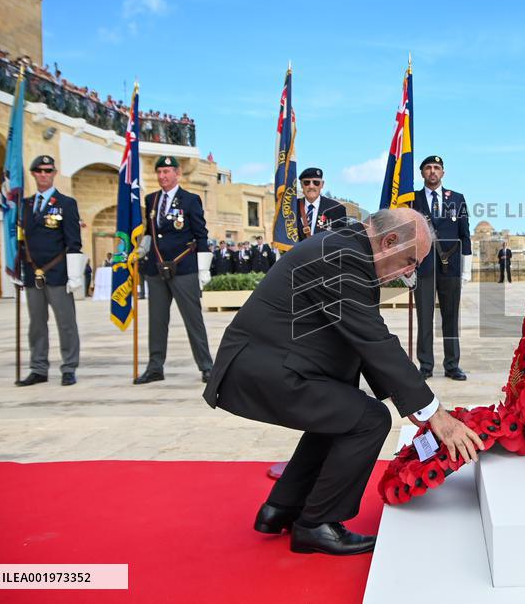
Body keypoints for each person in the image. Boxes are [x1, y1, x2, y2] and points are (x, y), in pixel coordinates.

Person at [203, 208, 484, 555]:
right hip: (261, 369)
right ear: (390, 241)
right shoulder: (343, 257)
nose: (410, 272)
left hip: (269, 363)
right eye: (410, 260)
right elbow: (373, 340)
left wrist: (410, 402)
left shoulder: (348, 249)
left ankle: (282, 507)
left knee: (343, 411)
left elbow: (361, 339)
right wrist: (434, 414)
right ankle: (318, 524)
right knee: (368, 420)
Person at [134, 156, 213, 385]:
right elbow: (149, 233)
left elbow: (201, 235)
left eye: (167, 171)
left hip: (183, 268)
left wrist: (203, 268)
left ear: (177, 173)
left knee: (193, 320)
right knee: (157, 321)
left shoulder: (190, 200)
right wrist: (140, 250)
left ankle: (207, 366)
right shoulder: (151, 200)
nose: (162, 176)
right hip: (155, 269)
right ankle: (155, 367)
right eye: (159, 172)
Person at [17, 155, 84, 386]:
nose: (43, 174)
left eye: (48, 170)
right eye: (39, 171)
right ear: (33, 174)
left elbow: (74, 242)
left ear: (54, 173)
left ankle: (69, 367)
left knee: (66, 323)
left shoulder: (66, 203)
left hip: (57, 273)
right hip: (32, 273)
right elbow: (19, 240)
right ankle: (38, 368)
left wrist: (75, 275)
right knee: (36, 324)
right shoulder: (24, 205)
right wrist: (17, 270)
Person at [411, 155, 471, 381]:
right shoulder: (412, 200)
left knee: (450, 317)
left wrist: (467, 270)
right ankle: (425, 366)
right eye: (428, 168)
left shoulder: (457, 199)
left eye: (436, 168)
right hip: (423, 267)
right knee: (424, 318)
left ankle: (452, 365)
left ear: (443, 172)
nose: (432, 171)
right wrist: (407, 268)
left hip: (450, 267)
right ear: (422, 173)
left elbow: (464, 235)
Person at [296, 167, 347, 240]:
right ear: (301, 185)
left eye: (316, 182)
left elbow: (341, 241)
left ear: (322, 184)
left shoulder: (336, 209)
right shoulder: (293, 207)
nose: (311, 186)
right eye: (306, 182)